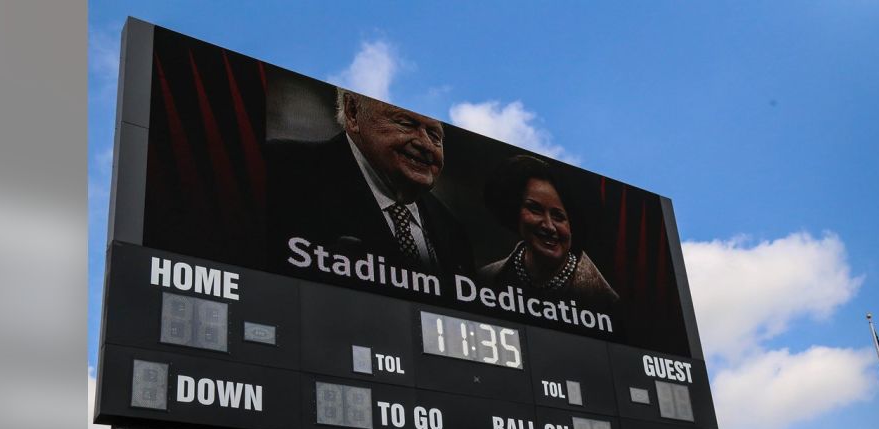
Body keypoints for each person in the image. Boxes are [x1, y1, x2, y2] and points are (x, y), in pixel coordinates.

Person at [265, 89, 474, 276]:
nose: (426, 144)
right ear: (353, 112)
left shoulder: (453, 230)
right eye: (406, 124)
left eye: (434, 134)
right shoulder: (280, 169)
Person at [479, 155, 619, 308]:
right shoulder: (485, 278)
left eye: (558, 217)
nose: (549, 226)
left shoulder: (605, 301)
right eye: (535, 209)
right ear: (514, 211)